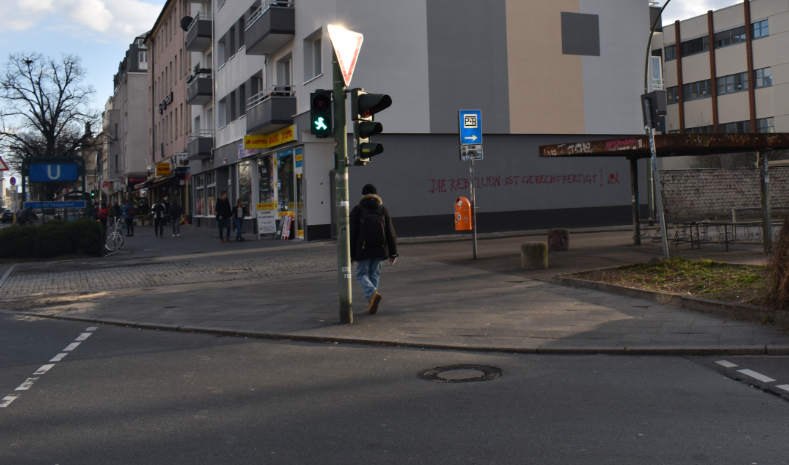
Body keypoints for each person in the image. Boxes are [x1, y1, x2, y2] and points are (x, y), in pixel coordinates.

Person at [349, 184, 398, 315]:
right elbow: (391, 232)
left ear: (363, 196)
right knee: (374, 275)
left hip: (363, 249)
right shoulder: (382, 209)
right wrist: (393, 253)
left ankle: (372, 293)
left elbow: (352, 233)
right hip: (380, 249)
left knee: (362, 274)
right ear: (376, 195)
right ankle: (371, 302)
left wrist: (351, 254)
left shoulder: (357, 210)